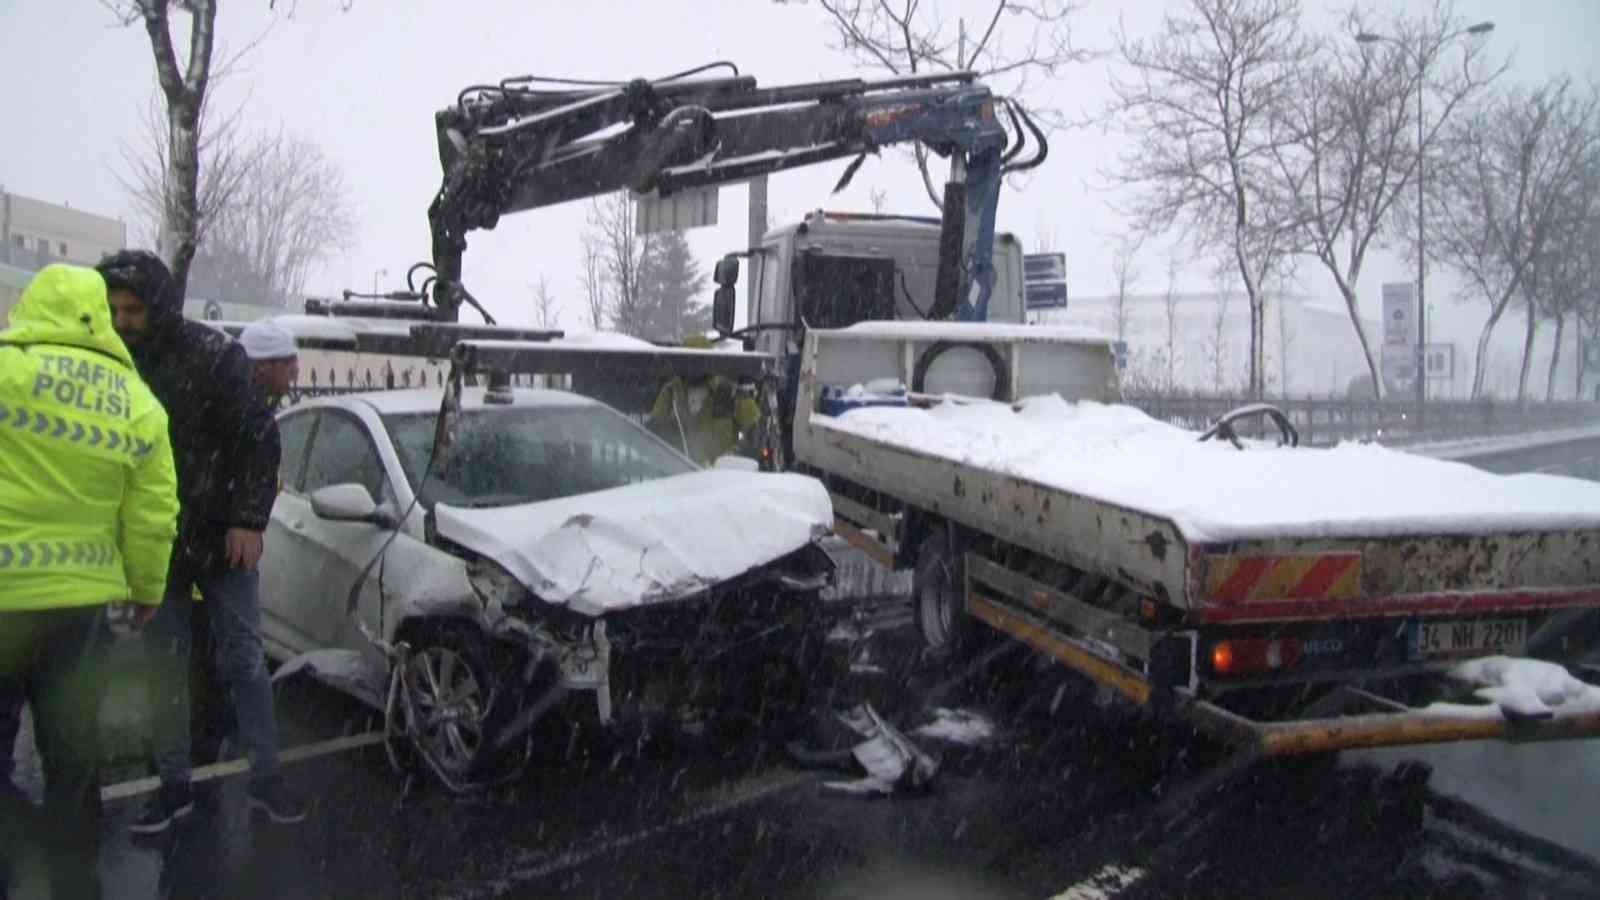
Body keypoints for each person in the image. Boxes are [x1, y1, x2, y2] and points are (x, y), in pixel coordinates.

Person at [96, 250, 308, 834]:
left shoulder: (211, 355)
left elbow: (257, 437)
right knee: (164, 664)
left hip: (220, 538)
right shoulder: (108, 361)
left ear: (159, 306)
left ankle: (266, 778)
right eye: (113, 308)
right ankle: (173, 786)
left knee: (243, 658)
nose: (122, 319)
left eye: (133, 309)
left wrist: (247, 518)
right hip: (154, 543)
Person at [0, 263, 179, 897]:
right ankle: (72, 874)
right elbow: (153, 512)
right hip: (78, 608)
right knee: (72, 754)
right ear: (99, 315)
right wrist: (146, 588)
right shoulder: (134, 400)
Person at [647, 335, 761, 465]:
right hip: (679, 475)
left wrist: (735, 455)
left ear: (710, 361)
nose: (693, 366)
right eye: (689, 360)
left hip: (722, 478)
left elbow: (755, 433)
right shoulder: (670, 393)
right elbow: (652, 434)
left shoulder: (729, 391)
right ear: (681, 361)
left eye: (699, 360)